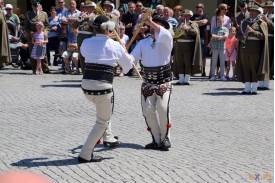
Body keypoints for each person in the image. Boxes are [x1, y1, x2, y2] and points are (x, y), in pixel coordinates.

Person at [78, 15, 134, 163]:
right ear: (109, 29)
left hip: (86, 87)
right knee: (102, 121)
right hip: (102, 88)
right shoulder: (115, 45)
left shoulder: (86, 42)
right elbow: (128, 68)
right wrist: (125, 53)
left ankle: (108, 137)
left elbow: (84, 53)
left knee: (103, 112)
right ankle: (85, 153)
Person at [131, 16, 173, 151]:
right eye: (152, 26)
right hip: (148, 82)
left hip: (163, 82)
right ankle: (156, 139)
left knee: (162, 108)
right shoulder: (143, 43)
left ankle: (165, 138)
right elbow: (132, 58)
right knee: (148, 111)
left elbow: (162, 31)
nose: (154, 28)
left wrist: (150, 22)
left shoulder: (166, 39)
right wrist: (123, 55)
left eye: (157, 26)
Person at [236, 5, 269, 95]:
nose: (252, 13)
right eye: (251, 11)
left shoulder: (262, 23)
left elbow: (263, 37)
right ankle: (246, 88)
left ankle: (254, 89)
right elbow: (238, 35)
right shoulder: (244, 22)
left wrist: (253, 32)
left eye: (254, 11)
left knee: (254, 69)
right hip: (244, 49)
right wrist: (243, 35)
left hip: (256, 49)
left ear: (258, 13)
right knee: (246, 68)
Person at [173, 9, 202, 85]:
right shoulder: (179, 23)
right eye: (184, 15)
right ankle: (181, 79)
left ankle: (187, 79)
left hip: (188, 45)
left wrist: (188, 28)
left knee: (187, 62)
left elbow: (196, 33)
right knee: (180, 62)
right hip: (179, 45)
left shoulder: (193, 24)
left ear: (190, 16)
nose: (185, 17)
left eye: (187, 15)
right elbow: (174, 33)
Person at [25, 1, 49, 74]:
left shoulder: (44, 14)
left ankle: (45, 69)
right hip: (33, 37)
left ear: (39, 5)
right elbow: (26, 27)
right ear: (32, 6)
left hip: (42, 36)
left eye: (37, 5)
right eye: (34, 6)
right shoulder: (28, 14)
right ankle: (35, 69)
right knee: (33, 53)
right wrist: (30, 33)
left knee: (43, 53)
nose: (36, 7)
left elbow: (47, 25)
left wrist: (45, 32)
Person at [190, 3, 208, 77]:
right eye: (197, 7)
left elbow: (204, 22)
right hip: (193, 37)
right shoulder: (193, 16)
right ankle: (193, 70)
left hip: (202, 37)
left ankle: (203, 71)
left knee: (203, 55)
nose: (199, 8)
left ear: (203, 8)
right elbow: (190, 23)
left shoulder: (205, 16)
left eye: (200, 7)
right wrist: (198, 22)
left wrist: (194, 22)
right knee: (193, 54)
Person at [259, 0, 274, 89]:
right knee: (261, 61)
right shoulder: (261, 16)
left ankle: (266, 83)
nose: (266, 9)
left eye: (268, 8)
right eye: (265, 8)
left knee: (268, 61)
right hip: (262, 39)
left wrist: (267, 20)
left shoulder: (273, 16)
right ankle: (260, 81)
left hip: (271, 40)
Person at [209, 16, 229, 81]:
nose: (219, 23)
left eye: (221, 21)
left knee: (222, 62)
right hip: (215, 47)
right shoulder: (214, 29)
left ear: (223, 22)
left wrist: (217, 37)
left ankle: (222, 75)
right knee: (214, 62)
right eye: (218, 22)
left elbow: (226, 37)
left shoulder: (226, 29)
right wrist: (221, 37)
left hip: (222, 48)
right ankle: (213, 76)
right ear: (217, 22)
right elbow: (212, 36)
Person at [0, 0, 11, 68]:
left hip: (3, 32)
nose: (3, 4)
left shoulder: (2, 11)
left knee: (3, 47)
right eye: (1, 3)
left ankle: (2, 63)